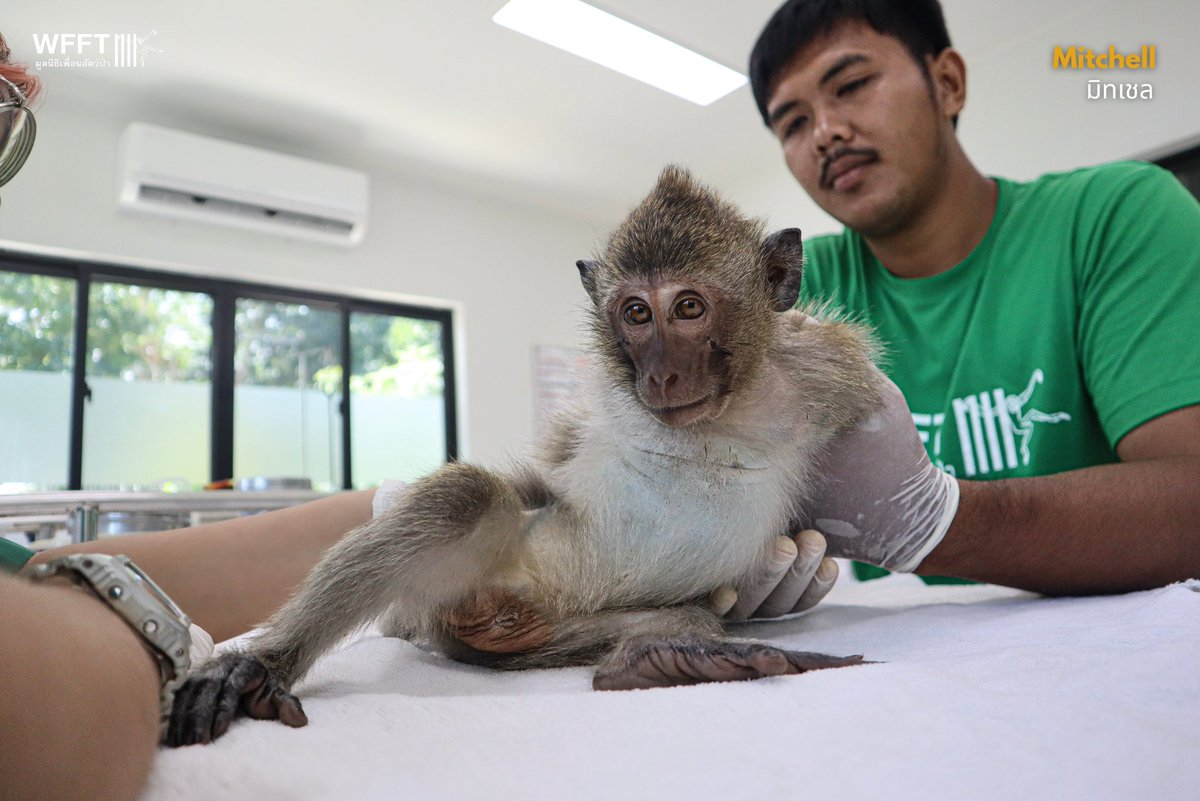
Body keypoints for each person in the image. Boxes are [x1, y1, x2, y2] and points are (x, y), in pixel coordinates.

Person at [735, 0, 1200, 609]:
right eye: (793, 124)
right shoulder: (797, 292)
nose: (825, 133)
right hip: (898, 658)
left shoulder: (1112, 219)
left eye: (851, 85)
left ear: (948, 82)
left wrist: (934, 522)